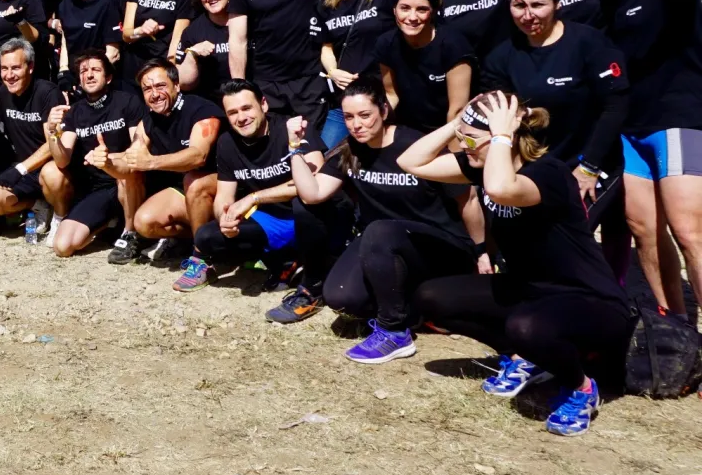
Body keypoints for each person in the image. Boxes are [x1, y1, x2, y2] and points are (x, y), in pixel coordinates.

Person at [401, 92, 633, 437]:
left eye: (470, 140)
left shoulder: (548, 174)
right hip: (531, 290)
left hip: (591, 300)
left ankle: (581, 387)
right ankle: (525, 358)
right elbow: (411, 162)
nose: (462, 146)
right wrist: (460, 122)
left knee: (525, 327)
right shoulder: (484, 166)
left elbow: (500, 188)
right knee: (431, 297)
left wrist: (498, 135)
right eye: (461, 138)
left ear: (505, 137)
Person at [289, 79, 482, 364]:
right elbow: (312, 193)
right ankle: (418, 307)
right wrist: (295, 147)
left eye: (365, 115)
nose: (356, 125)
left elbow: (469, 200)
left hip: (438, 245)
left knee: (379, 229)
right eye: (349, 117)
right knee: (342, 298)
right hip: (383, 248)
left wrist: (482, 251)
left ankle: (394, 331)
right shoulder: (350, 149)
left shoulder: (415, 146)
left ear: (383, 110)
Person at [593, 0, 702, 318]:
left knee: (689, 233)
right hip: (630, 127)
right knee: (646, 233)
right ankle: (676, 328)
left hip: (676, 119)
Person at [183, 79, 328, 318]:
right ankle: (284, 262)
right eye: (232, 112)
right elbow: (224, 197)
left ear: (263, 104)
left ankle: (311, 277)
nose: (241, 117)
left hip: (308, 216)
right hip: (271, 220)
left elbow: (317, 179)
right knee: (206, 237)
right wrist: (226, 219)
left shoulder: (292, 128)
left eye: (246, 108)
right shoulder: (227, 142)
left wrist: (254, 197)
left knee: (306, 207)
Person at [480, 0, 627, 201]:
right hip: (538, 169)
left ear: (557, 4)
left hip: (590, 165)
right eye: (519, 6)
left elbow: (616, 106)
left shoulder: (589, 42)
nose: (528, 15)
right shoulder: (500, 57)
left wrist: (589, 167)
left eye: (538, 5)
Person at [114, 60, 221, 265]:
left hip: (225, 186)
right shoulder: (148, 120)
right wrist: (106, 161)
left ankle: (202, 256)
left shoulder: (201, 109)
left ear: (177, 85)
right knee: (144, 223)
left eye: (160, 86)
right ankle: (199, 238)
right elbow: (132, 159)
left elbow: (198, 156)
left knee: (194, 180)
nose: (154, 94)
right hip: (185, 190)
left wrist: (151, 162)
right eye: (147, 89)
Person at [43, 50, 145, 258]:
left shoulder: (128, 102)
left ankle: (130, 234)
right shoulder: (75, 112)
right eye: (83, 71)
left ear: (108, 77)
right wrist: (52, 131)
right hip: (99, 188)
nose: (89, 75)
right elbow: (62, 160)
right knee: (63, 247)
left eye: (96, 70)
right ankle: (109, 222)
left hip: (130, 181)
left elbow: (139, 150)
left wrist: (111, 160)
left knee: (125, 175)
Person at [312, 0, 396, 149]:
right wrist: (333, 71)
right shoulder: (326, 2)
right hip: (345, 102)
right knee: (328, 156)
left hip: (385, 97)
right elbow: (326, 47)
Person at [0, 39, 66, 243]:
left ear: (31, 67)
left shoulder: (47, 93)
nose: (9, 75)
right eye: (4, 69)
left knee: (51, 173)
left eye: (16, 68)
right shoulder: (4, 92)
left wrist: (20, 169)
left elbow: (52, 144)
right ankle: (38, 205)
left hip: (53, 168)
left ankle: (60, 217)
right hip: (25, 170)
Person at [375, 0, 473, 131]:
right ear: (394, 10)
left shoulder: (453, 45)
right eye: (405, 8)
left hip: (446, 128)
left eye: (421, 10)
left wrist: (450, 148)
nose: (412, 17)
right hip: (407, 129)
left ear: (433, 12)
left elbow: (457, 112)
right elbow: (392, 94)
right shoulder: (386, 43)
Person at [52, 0, 122, 79]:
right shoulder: (64, 5)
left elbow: (113, 53)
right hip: (74, 76)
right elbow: (65, 40)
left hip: (97, 78)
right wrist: (63, 70)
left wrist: (88, 77)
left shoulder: (107, 3)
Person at [176, 0, 233, 95]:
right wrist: (192, 54)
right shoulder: (192, 32)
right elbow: (183, 83)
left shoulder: (250, 21)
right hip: (212, 101)